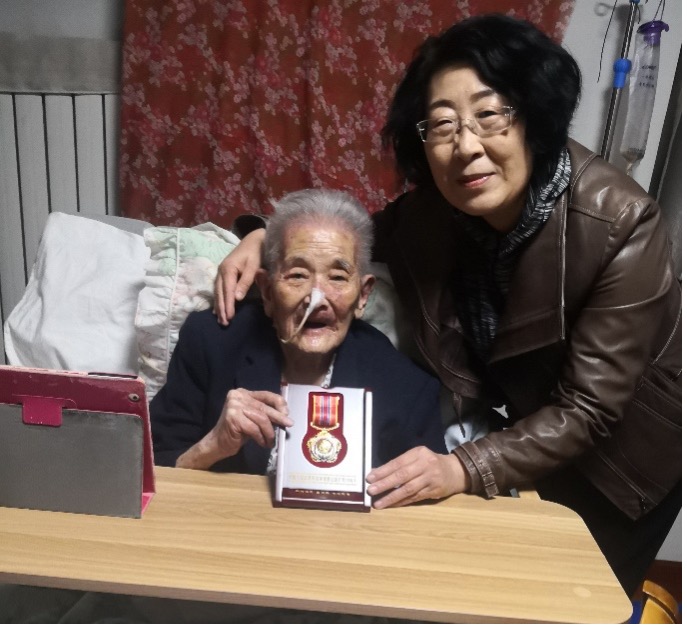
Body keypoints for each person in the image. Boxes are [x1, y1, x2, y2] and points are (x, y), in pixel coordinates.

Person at [211, 14, 681, 596]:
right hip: (521, 431)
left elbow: (587, 409)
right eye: (442, 125)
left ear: (533, 117)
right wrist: (265, 234)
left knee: (575, 602)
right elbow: (354, 238)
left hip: (621, 460)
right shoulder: (437, 209)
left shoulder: (621, 223)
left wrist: (462, 466)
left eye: (490, 115)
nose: (466, 146)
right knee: (495, 593)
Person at [151, 188, 446, 473]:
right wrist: (212, 447)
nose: (316, 298)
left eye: (337, 277)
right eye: (297, 275)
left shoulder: (408, 388)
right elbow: (151, 468)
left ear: (363, 296)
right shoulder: (209, 343)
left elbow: (427, 497)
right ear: (267, 292)